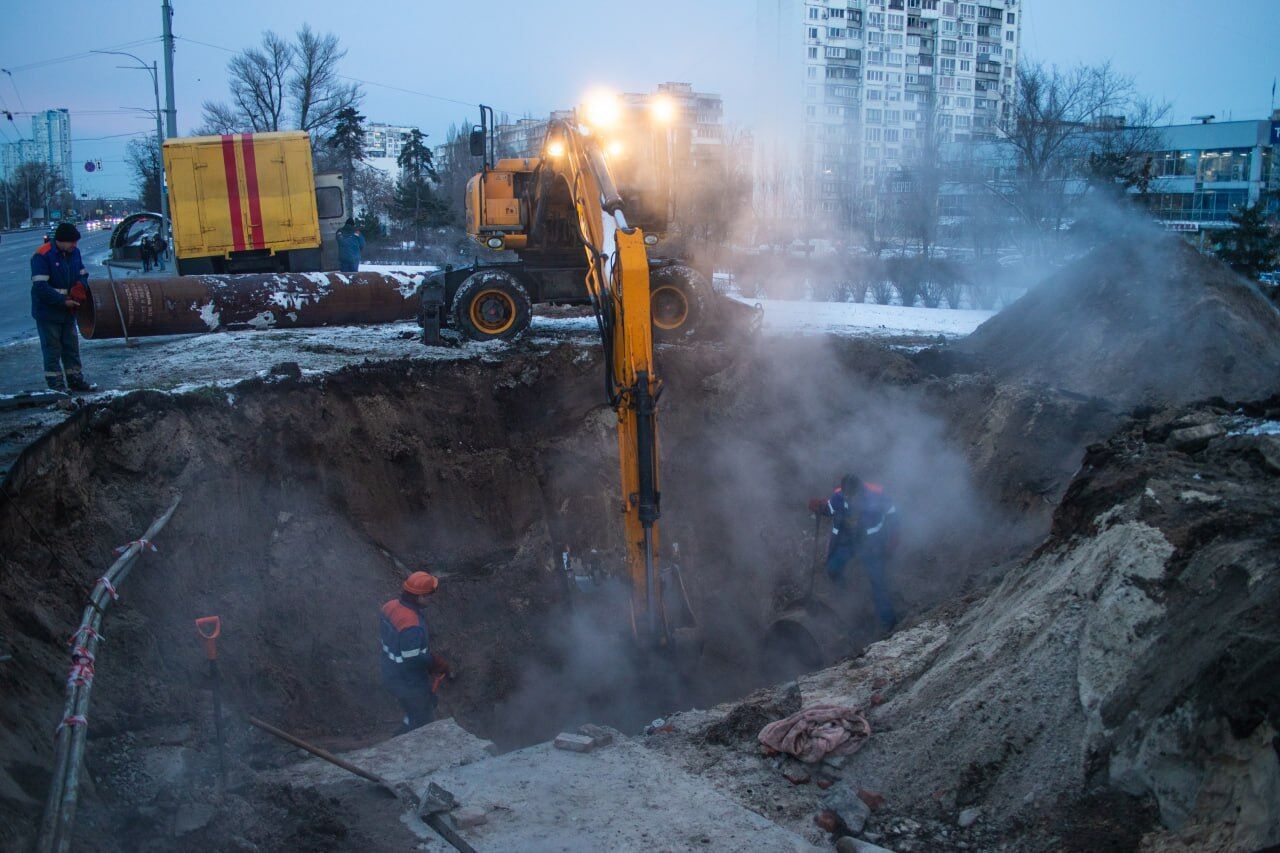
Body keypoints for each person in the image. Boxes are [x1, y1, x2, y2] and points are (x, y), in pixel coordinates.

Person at [808, 474, 899, 631]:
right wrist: (819, 507)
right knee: (833, 569)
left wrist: (894, 538)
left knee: (877, 581)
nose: (848, 498)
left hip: (872, 545)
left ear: (860, 491)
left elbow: (893, 512)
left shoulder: (875, 497)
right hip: (848, 542)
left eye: (851, 495)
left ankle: (888, 622)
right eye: (846, 495)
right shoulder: (839, 496)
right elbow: (830, 508)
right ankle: (850, 599)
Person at [379, 571, 451, 733]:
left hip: (390, 671)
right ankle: (398, 744)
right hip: (407, 681)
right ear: (419, 597)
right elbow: (412, 658)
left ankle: (406, 726)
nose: (432, 599)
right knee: (421, 720)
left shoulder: (390, 606)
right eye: (429, 595)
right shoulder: (412, 625)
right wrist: (434, 662)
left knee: (414, 714)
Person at [31, 223, 92, 392]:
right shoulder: (42, 255)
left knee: (71, 346)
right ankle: (56, 384)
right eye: (72, 242)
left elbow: (83, 274)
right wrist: (62, 300)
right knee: (52, 348)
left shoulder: (74, 253)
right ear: (60, 241)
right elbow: (40, 287)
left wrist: (81, 286)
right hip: (49, 311)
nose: (75, 245)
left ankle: (75, 379)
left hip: (68, 310)